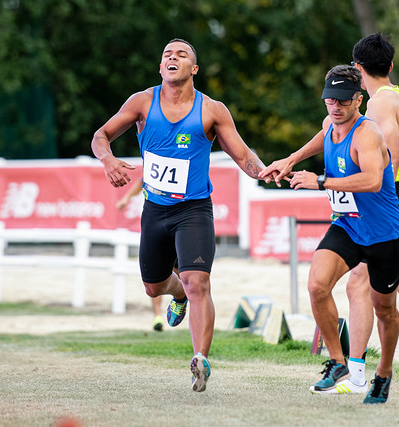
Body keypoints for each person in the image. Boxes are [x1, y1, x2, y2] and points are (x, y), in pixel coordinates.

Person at [261, 34, 399, 393]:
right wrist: (291, 159)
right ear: (390, 66)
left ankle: (357, 375)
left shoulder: (377, 106)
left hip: (386, 205)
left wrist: (337, 183)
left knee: (357, 285)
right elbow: (331, 133)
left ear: (358, 70)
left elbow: (387, 161)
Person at [92, 38, 273, 392]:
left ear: (194, 69)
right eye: (167, 55)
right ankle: (176, 295)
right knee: (152, 287)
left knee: (198, 281)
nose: (173, 58)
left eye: (182, 55)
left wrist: (266, 172)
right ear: (161, 68)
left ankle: (200, 359)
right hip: (156, 210)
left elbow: (242, 156)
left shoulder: (212, 110)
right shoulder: (142, 103)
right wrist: (108, 160)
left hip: (193, 210)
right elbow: (101, 136)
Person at [262, 64, 399, 404]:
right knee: (316, 285)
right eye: (329, 100)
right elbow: (322, 137)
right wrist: (291, 158)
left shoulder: (367, 133)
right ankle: (339, 363)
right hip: (347, 224)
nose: (335, 107)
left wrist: (320, 182)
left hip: (384, 233)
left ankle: (383, 373)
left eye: (343, 101)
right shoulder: (331, 122)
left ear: (359, 99)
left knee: (384, 309)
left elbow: (372, 180)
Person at [115, 177, 170, 332]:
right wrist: (126, 198)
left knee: (179, 275)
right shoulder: (156, 158)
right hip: (156, 220)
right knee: (158, 275)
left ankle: (178, 302)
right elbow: (143, 179)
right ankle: (158, 316)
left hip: (180, 219)